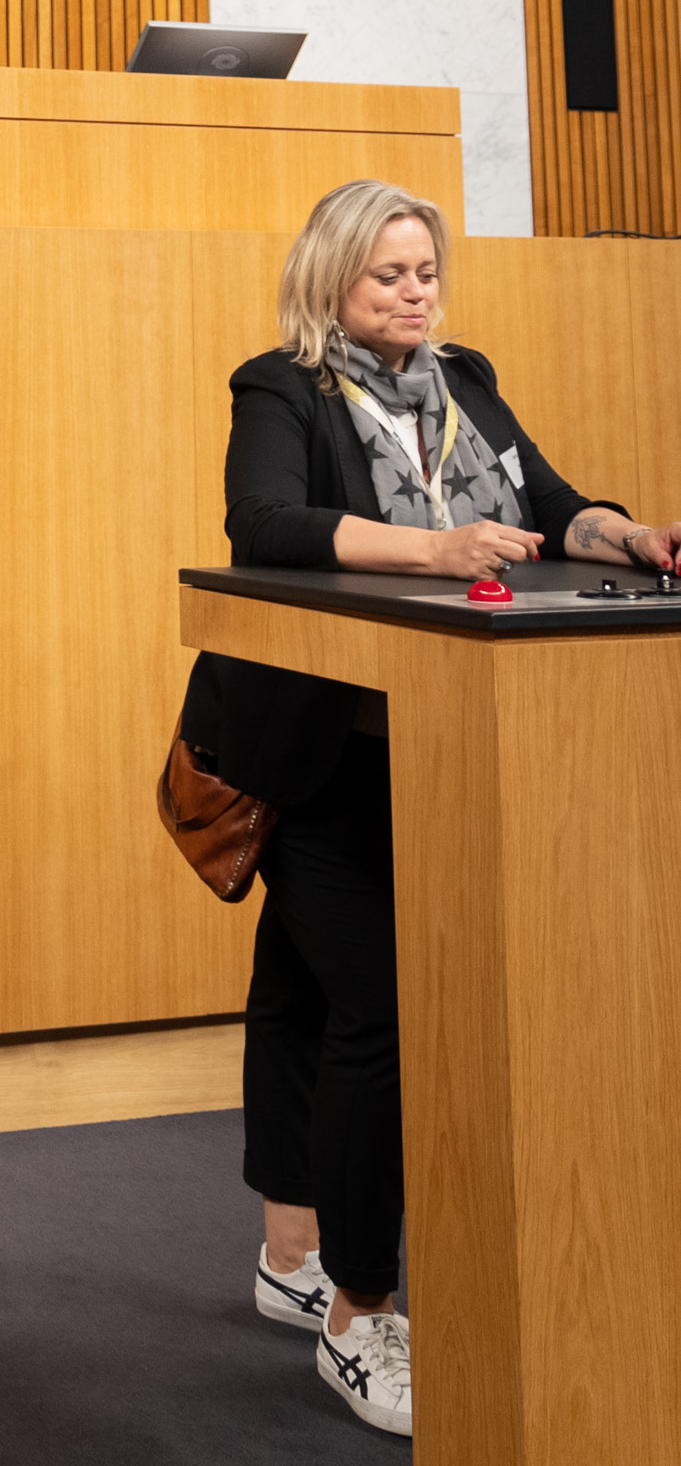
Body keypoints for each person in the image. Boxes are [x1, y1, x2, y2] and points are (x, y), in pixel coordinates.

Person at [180, 180, 679, 1439]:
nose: (414, 294)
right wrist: (435, 548)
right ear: (332, 279)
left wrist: (623, 533)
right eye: (388, 275)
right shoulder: (281, 387)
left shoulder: (466, 382)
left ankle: (288, 1257)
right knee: (380, 1013)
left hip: (443, 743)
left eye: (426, 272)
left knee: (302, 987)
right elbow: (264, 524)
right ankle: (359, 1314)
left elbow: (548, 504)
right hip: (308, 750)